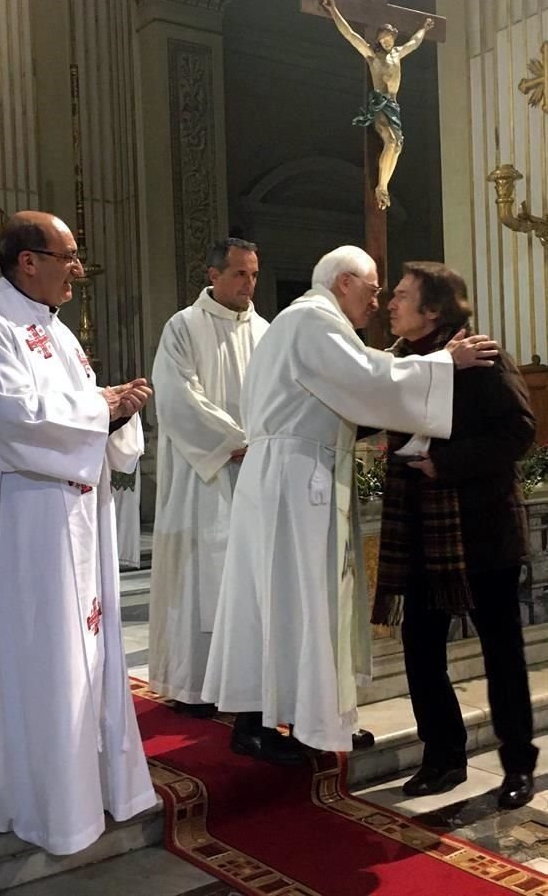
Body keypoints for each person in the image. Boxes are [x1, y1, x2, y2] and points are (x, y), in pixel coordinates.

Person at [202, 245, 498, 766]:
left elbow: (364, 377)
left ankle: (303, 721)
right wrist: (443, 361)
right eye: (373, 287)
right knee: (294, 600)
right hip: (296, 480)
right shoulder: (314, 321)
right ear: (344, 282)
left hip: (298, 473)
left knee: (291, 602)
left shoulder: (306, 321)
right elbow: (369, 381)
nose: (378, 299)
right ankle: (265, 726)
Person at [0, 211, 157, 854]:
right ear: (27, 260)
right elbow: (14, 420)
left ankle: (92, 790)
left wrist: (116, 408)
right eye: (69, 256)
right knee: (43, 660)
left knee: (86, 656)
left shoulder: (56, 332)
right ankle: (47, 803)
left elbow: (75, 408)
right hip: (24, 529)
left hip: (76, 520)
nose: (78, 270)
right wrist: (102, 407)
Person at [372, 262, 538, 808]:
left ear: (434, 309)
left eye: (401, 296)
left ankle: (517, 763)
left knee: (502, 652)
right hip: (423, 532)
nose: (391, 304)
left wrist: (446, 465)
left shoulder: (480, 358)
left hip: (482, 530)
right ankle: (443, 757)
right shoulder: (400, 362)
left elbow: (519, 431)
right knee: (421, 649)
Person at [148, 238, 269, 716]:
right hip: (203, 479)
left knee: (246, 583)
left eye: (255, 274)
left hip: (255, 472)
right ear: (213, 275)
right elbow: (178, 396)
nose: (249, 283)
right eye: (240, 273)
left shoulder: (266, 330)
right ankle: (192, 685)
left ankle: (246, 685)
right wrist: (230, 441)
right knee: (198, 578)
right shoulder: (183, 326)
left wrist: (258, 443)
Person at [320, 0, 434, 210]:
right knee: (390, 141)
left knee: (398, 146)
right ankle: (381, 186)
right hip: (380, 104)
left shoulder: (398, 54)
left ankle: (385, 184)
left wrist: (425, 29)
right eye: (382, 35)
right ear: (380, 38)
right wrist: (333, 9)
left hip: (394, 105)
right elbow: (350, 34)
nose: (385, 38)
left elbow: (415, 42)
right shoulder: (372, 56)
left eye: (388, 34)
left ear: (393, 36)